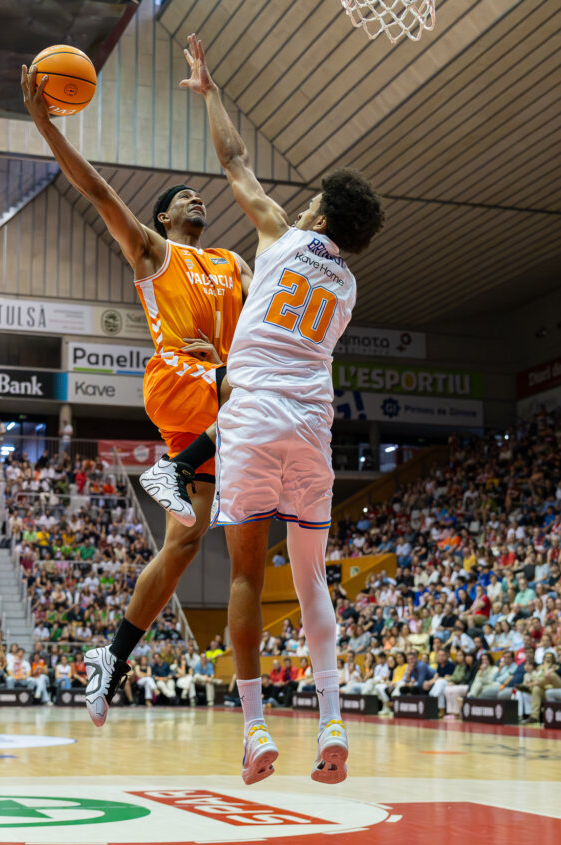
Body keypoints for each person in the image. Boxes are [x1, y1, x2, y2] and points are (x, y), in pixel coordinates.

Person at [22, 55, 251, 729]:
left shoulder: (234, 264)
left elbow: (268, 323)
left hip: (222, 406)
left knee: (184, 543)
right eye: (181, 197)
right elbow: (96, 192)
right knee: (256, 389)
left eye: (197, 195)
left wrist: (211, 94)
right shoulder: (155, 252)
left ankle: (112, 660)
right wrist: (48, 127)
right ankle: (173, 468)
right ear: (160, 216)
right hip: (182, 387)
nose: (195, 199)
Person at [179, 35, 383, 785]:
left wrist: (209, 93)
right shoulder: (350, 289)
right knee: (310, 580)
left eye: (316, 199)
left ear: (322, 212)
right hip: (311, 428)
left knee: (241, 578)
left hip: (256, 421)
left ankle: (257, 729)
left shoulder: (281, 232)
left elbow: (235, 163)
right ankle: (331, 719)